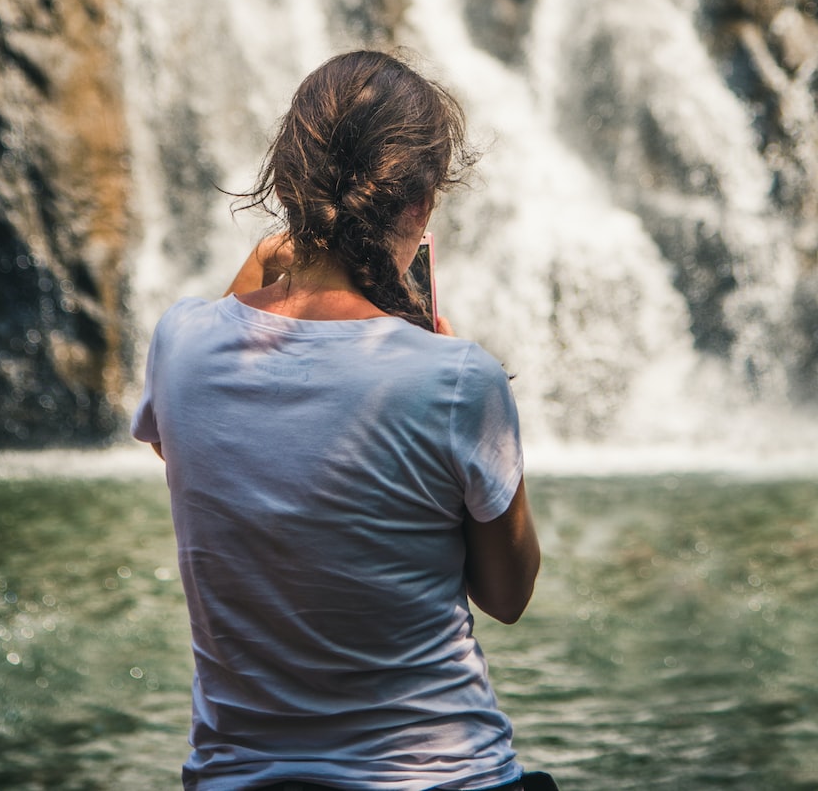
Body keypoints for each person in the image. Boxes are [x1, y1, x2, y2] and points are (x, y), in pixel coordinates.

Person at [132, 50, 555, 791]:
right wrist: (439, 350)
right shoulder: (456, 379)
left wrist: (274, 255)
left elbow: (195, 446)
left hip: (236, 779)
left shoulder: (179, 345)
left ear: (288, 185)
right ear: (420, 206)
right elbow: (508, 594)